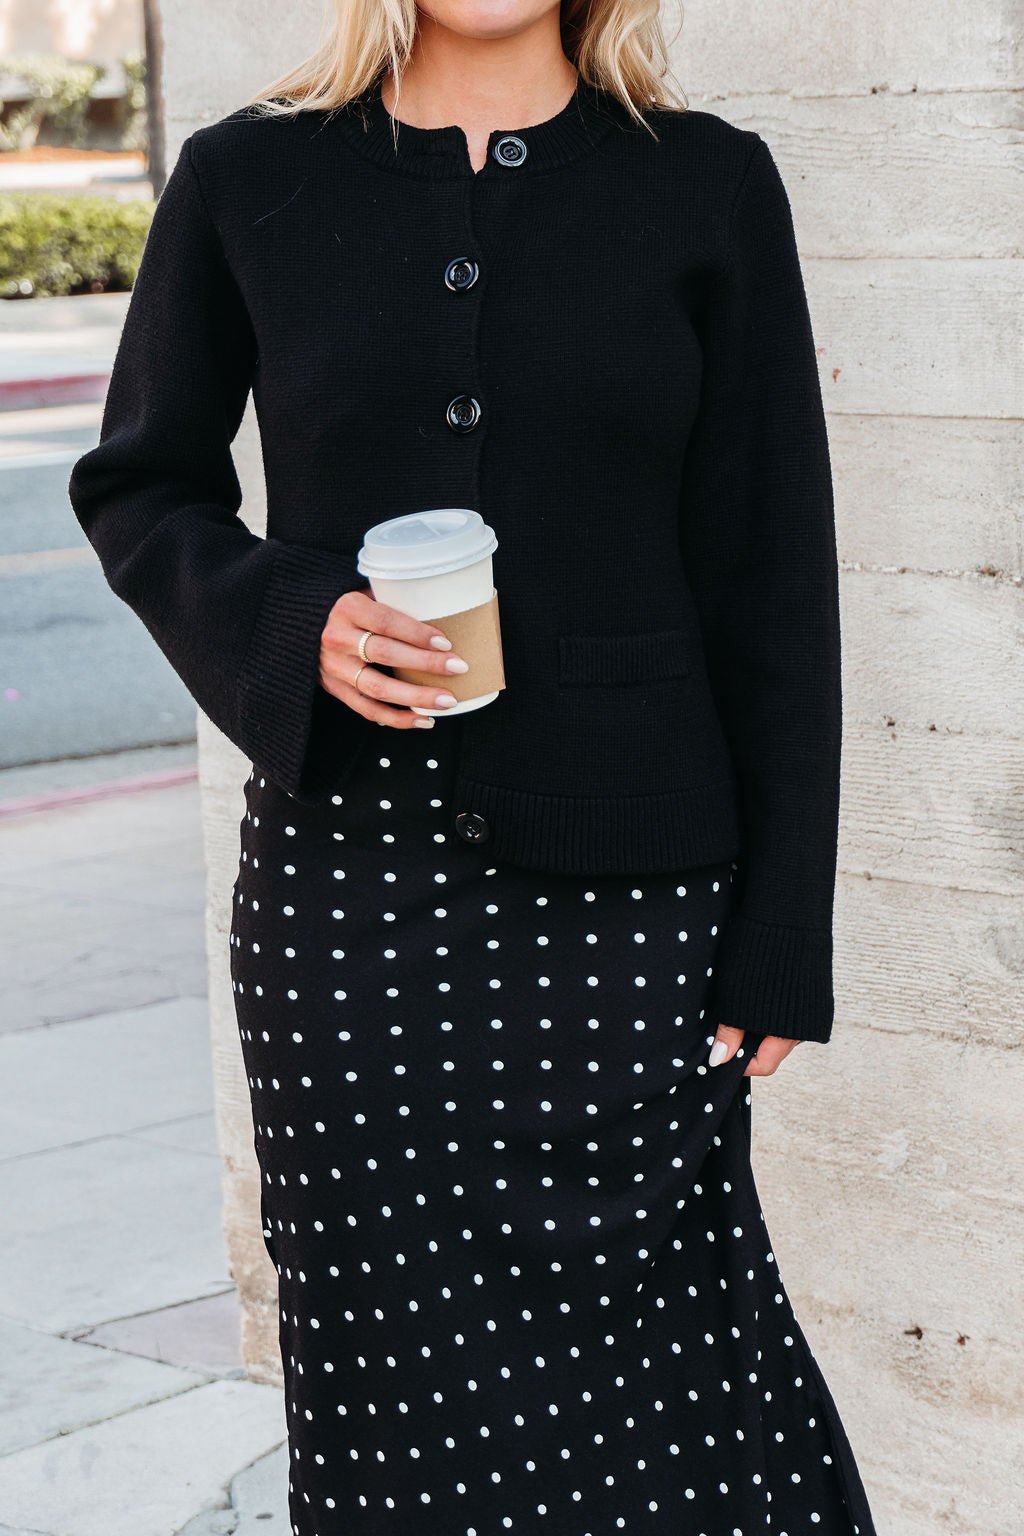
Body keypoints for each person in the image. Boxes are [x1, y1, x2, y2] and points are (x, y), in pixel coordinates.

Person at [68, 2, 879, 1532]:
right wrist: (291, 621)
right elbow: (138, 483)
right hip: (346, 909)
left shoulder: (704, 183)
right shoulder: (248, 179)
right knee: (394, 1384)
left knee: (687, 1382)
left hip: (631, 901)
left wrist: (780, 936)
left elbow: (771, 570)